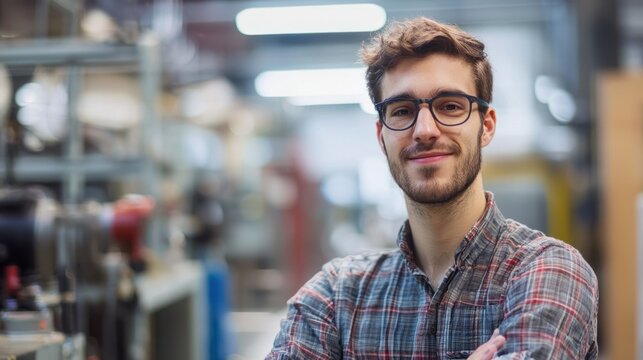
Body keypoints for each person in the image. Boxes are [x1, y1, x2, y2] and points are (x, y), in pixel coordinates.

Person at [266, 17, 598, 360]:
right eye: (402, 110)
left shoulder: (547, 271)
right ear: (382, 137)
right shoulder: (336, 296)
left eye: (450, 106)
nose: (425, 130)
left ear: (486, 126)